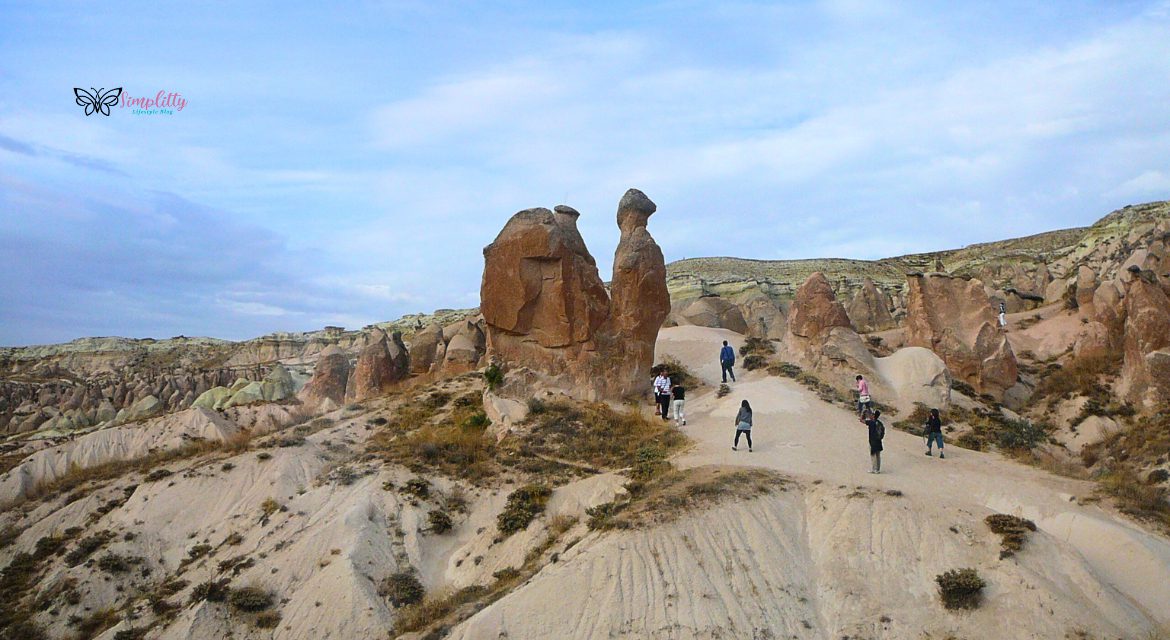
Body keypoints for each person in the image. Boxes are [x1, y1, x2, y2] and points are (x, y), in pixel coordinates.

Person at [864, 409, 885, 473]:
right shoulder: (879, 423)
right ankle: (878, 469)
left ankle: (874, 469)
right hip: (879, 440)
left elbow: (862, 420)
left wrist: (863, 414)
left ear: (874, 416)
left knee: (873, 455)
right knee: (878, 455)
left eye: (872, 414)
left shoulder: (872, 422)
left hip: (873, 441)